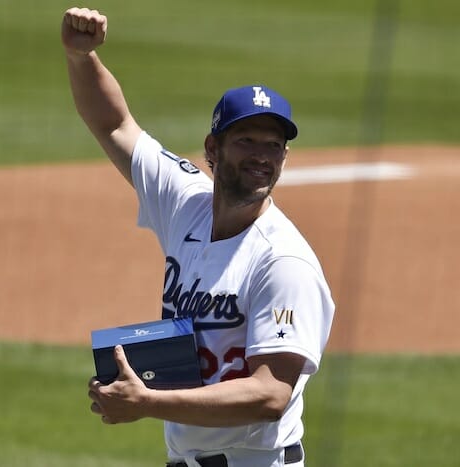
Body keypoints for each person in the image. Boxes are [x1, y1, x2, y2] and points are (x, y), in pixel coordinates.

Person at [61, 7, 335, 467]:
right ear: (213, 149)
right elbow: (115, 125)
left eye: (273, 145)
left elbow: (270, 394)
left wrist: (146, 402)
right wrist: (80, 56)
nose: (262, 156)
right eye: (246, 141)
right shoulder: (185, 202)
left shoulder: (283, 263)